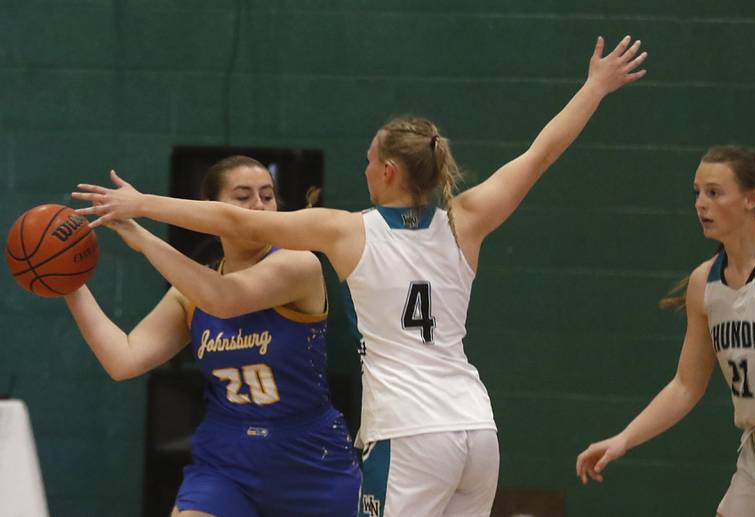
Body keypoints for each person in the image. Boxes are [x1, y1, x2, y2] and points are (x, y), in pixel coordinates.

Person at [73, 35, 647, 517]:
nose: (364, 167)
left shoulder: (348, 231)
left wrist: (145, 204)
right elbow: (541, 153)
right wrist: (594, 88)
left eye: (370, 159)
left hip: (409, 431)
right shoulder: (466, 218)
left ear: (389, 170)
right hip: (477, 427)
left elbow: (227, 218)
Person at [65, 155, 361, 517]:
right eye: (243, 196)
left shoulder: (299, 264)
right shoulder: (190, 293)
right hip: (227, 459)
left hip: (310, 457)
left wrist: (144, 238)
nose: (258, 206)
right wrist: (68, 282)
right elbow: (123, 359)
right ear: (210, 210)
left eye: (267, 196)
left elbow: (224, 298)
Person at [575, 146, 755, 517]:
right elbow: (686, 385)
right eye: (697, 192)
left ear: (751, 199)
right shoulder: (704, 283)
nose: (700, 204)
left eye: (714, 192)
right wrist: (624, 439)